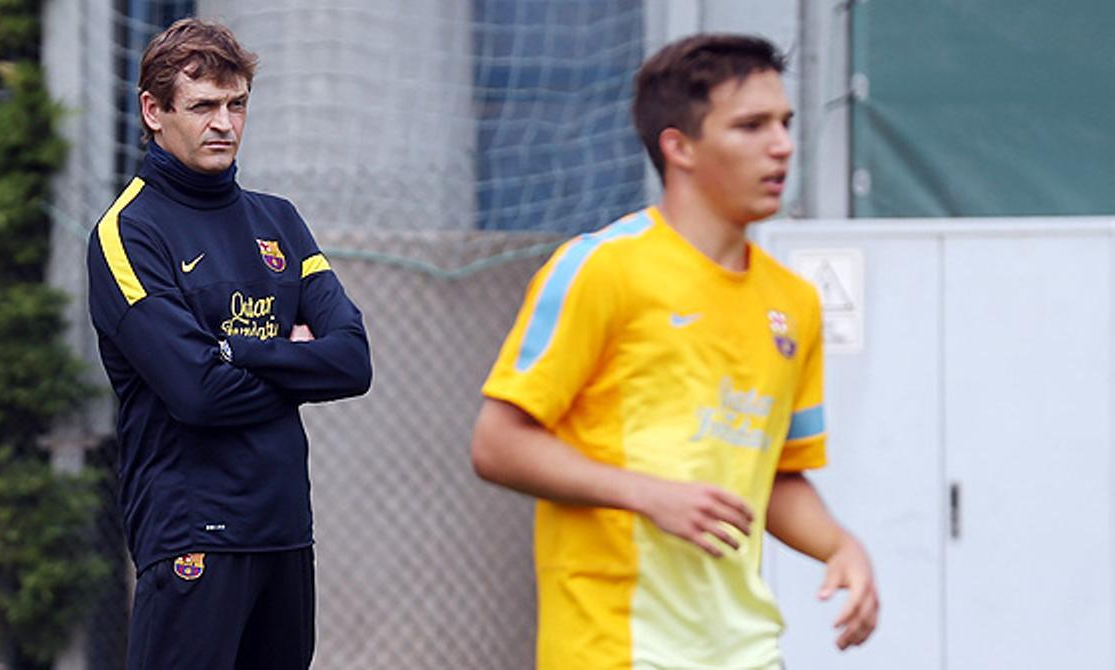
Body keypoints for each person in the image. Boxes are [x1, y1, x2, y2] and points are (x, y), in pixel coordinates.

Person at [471, 33, 878, 669]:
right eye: (752, 125)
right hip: (614, 647)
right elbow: (498, 444)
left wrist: (840, 547)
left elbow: (776, 476)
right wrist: (649, 494)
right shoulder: (600, 268)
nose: (783, 145)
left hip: (745, 648)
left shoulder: (793, 302)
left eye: (785, 122)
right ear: (678, 146)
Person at [86, 18, 371, 669]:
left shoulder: (279, 220)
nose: (224, 124)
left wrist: (239, 351)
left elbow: (354, 362)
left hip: (285, 530)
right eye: (204, 106)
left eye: (236, 104)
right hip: (192, 532)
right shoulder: (128, 233)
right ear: (153, 111)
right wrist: (298, 359)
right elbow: (197, 394)